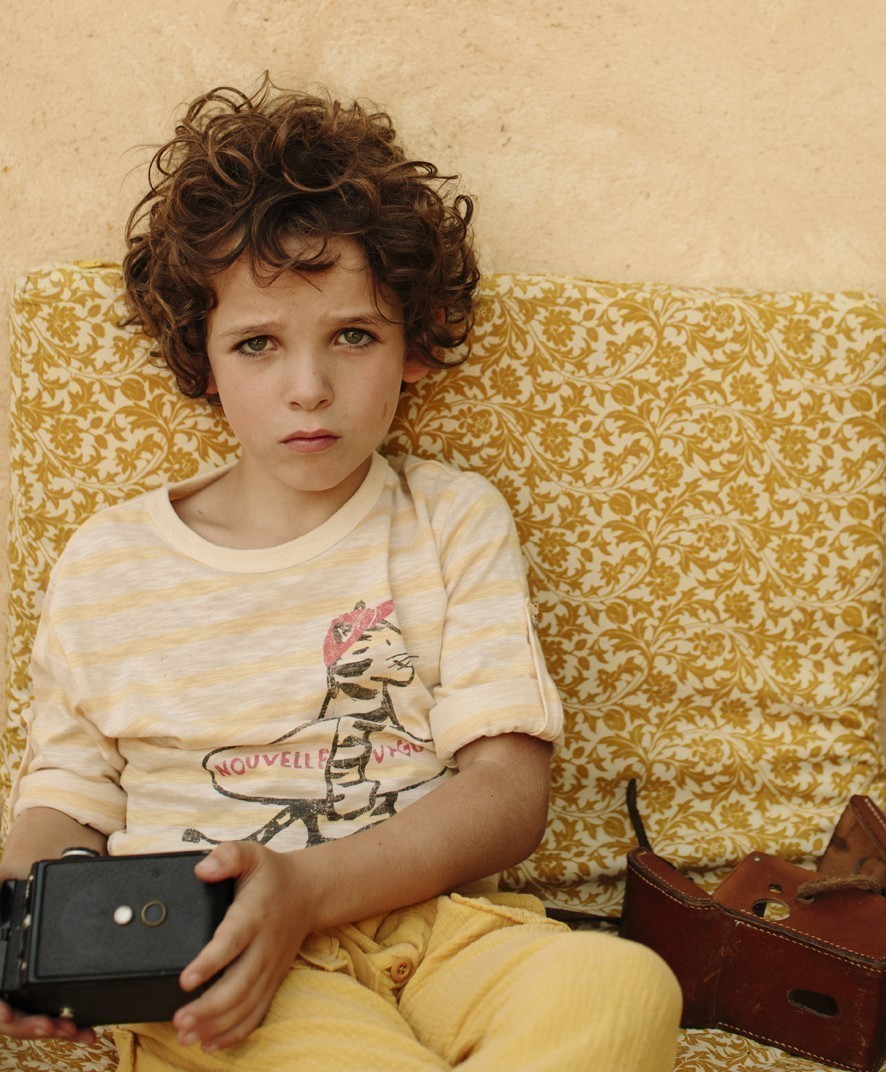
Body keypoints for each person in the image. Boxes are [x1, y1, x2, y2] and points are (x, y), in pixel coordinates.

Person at [0, 77, 682, 1070]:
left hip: (442, 931)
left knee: (623, 986)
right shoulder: (109, 561)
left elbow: (506, 793)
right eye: (258, 344)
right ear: (203, 361)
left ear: (413, 345)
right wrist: (27, 936)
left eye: (352, 335)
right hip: (217, 963)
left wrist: (309, 888)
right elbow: (63, 803)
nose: (309, 388)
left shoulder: (450, 519)